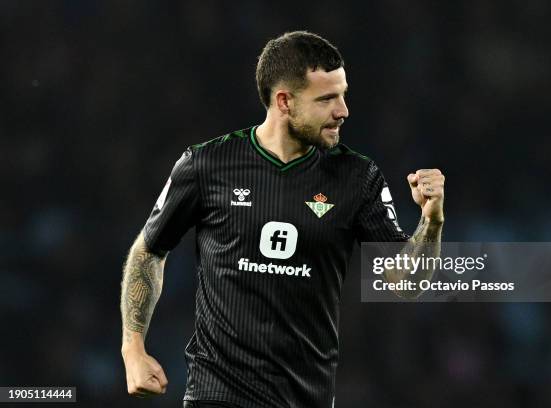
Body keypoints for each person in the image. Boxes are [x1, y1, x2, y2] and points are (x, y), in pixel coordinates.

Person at [120, 30, 445, 408]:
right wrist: (133, 348)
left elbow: (405, 284)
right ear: (284, 101)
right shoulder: (207, 165)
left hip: (306, 398)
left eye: (343, 94)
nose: (343, 111)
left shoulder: (358, 177)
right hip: (217, 395)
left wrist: (431, 221)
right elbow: (148, 251)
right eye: (326, 99)